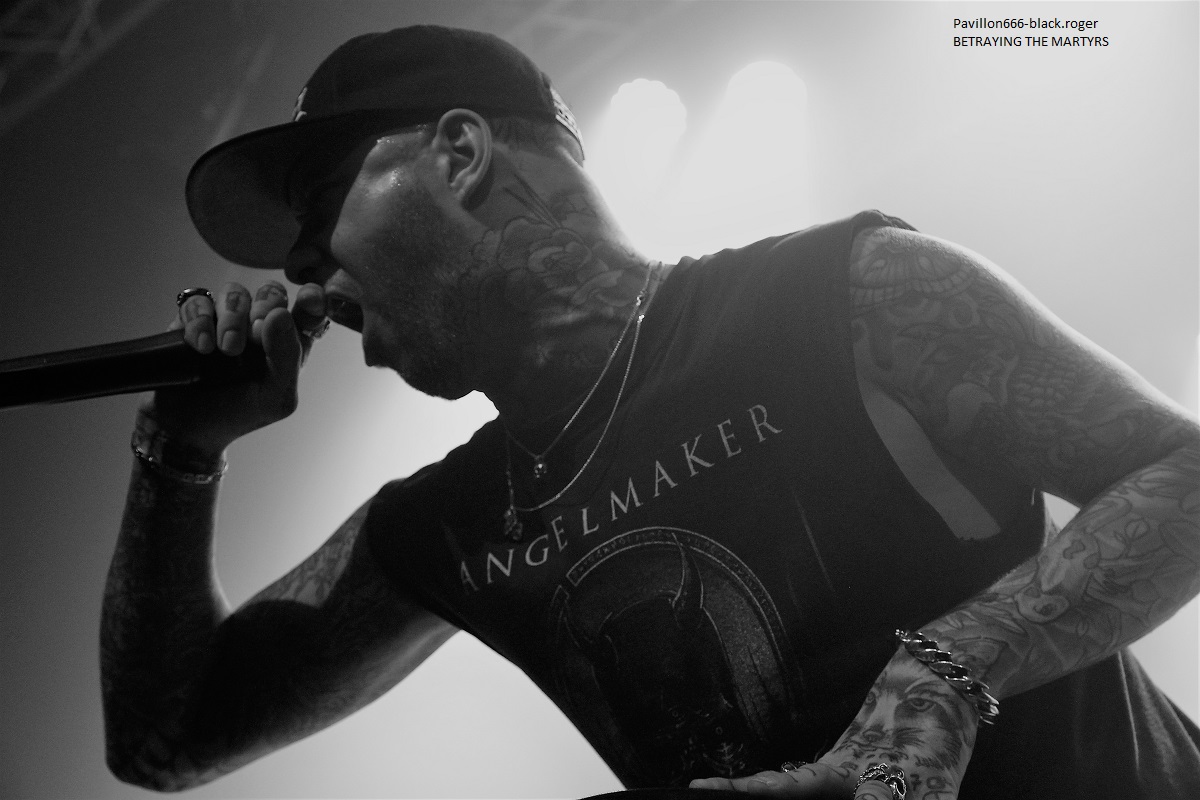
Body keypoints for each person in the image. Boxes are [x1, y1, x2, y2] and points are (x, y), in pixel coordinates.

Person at [101, 24, 1200, 800]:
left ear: (460, 153)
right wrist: (180, 448)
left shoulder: (842, 296)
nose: (298, 265)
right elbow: (164, 739)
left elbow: (1182, 472)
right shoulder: (450, 523)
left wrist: (945, 677)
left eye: (321, 202)